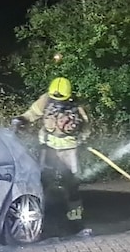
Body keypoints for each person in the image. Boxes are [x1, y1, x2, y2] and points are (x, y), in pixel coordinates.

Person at [13, 77, 92, 236]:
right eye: (55, 99)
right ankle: (39, 220)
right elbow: (32, 114)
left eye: (61, 100)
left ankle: (75, 222)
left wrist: (83, 139)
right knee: (43, 182)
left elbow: (87, 126)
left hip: (69, 151)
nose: (57, 103)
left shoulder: (77, 106)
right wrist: (20, 120)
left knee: (72, 186)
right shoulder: (46, 99)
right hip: (47, 149)